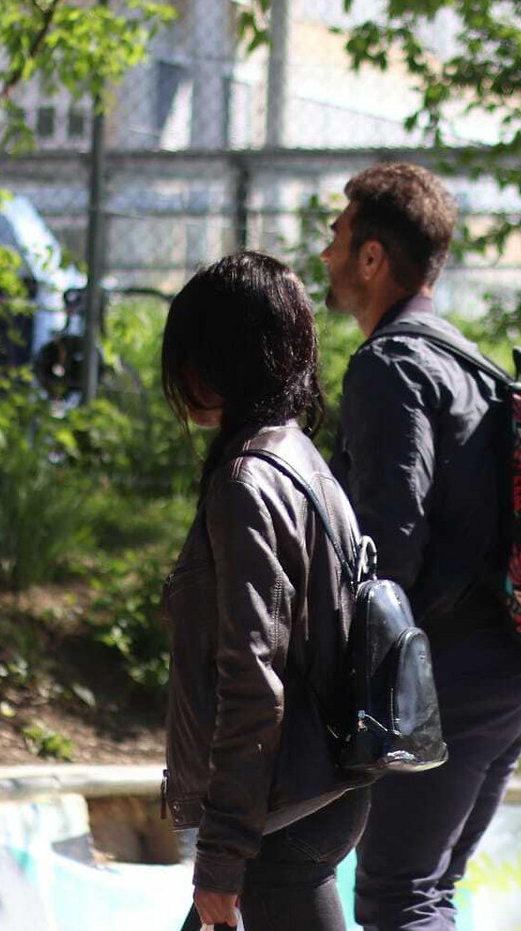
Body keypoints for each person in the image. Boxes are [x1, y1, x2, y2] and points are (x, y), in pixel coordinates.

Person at [320, 163, 521, 931]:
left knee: (399, 898)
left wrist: (338, 672)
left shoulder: (390, 365)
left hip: (457, 674)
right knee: (424, 894)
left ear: (371, 257)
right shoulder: (471, 363)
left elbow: (390, 543)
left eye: (336, 235)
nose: (325, 252)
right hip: (519, 667)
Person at [160, 251, 373, 931]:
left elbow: (252, 680)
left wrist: (223, 855)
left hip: (279, 819)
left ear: (217, 358)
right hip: (316, 793)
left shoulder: (246, 484)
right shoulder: (303, 460)